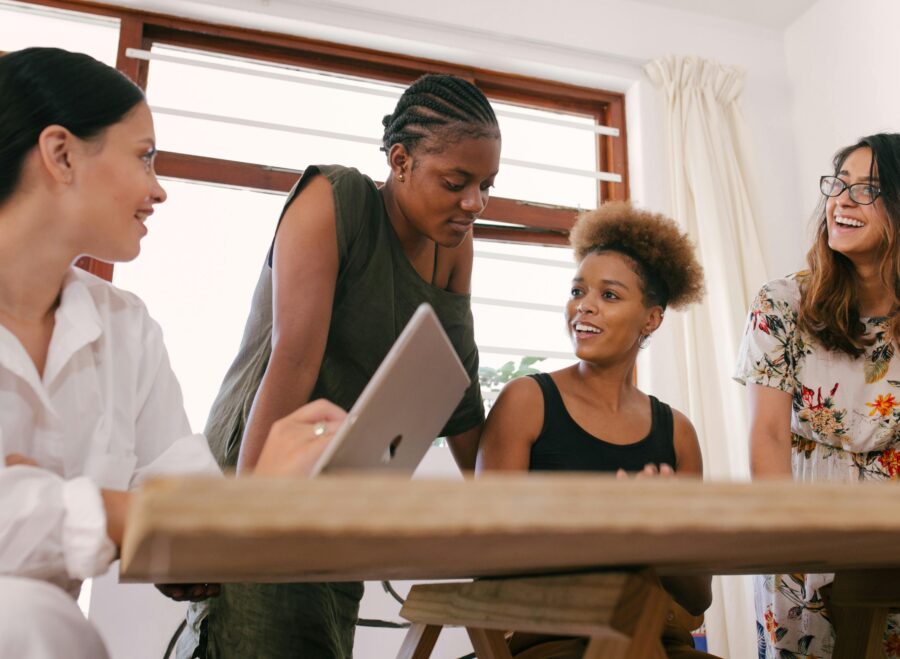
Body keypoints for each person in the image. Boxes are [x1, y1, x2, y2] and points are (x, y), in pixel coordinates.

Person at [0, 47, 347, 659]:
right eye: (144, 156)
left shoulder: (126, 328)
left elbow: (186, 518)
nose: (158, 189)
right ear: (61, 154)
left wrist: (257, 501)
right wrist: (126, 516)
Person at [180, 75, 501, 657]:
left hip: (341, 492)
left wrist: (508, 509)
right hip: (260, 472)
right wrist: (241, 524)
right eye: (456, 183)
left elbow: (459, 387)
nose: (473, 203)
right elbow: (293, 362)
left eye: (486, 186)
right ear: (400, 161)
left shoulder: (455, 243)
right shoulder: (334, 199)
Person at [477, 202, 715, 659]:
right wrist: (611, 527)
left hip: (660, 644)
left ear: (651, 318)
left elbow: (696, 596)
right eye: (577, 290)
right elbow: (488, 556)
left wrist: (665, 532)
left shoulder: (677, 432)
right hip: (552, 642)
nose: (583, 305)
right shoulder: (526, 402)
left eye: (609, 295)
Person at [735, 133, 900, 658]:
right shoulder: (781, 303)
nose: (842, 201)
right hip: (798, 520)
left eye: (868, 190)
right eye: (839, 184)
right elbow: (766, 434)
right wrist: (791, 538)